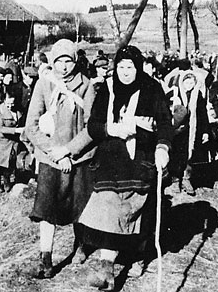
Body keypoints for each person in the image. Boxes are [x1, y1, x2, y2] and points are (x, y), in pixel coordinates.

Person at [74, 45, 173, 287]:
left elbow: (165, 123)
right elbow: (94, 126)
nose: (125, 72)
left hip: (141, 158)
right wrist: (112, 128)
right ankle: (106, 268)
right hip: (111, 159)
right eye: (120, 67)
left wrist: (162, 147)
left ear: (138, 67)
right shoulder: (108, 89)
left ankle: (138, 256)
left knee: (135, 210)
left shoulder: (152, 88)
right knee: (109, 207)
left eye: (130, 67)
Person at [25, 39, 96, 280]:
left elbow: (91, 127)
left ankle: (82, 245)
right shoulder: (44, 84)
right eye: (58, 61)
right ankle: (46, 257)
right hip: (50, 159)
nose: (64, 67)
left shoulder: (86, 86)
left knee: (80, 206)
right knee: (47, 210)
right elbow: (31, 126)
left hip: (78, 158)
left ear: (75, 61)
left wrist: (69, 151)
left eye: (68, 61)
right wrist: (55, 151)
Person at [169, 69, 211, 195]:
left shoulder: (197, 95)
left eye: (191, 83)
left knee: (190, 156)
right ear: (182, 83)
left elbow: (203, 115)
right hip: (178, 131)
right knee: (176, 155)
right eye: (186, 82)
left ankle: (187, 179)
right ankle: (175, 180)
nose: (189, 85)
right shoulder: (175, 93)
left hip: (192, 130)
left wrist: (205, 132)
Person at [0, 87, 24, 191]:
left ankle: (7, 180)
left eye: (12, 103)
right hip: (1, 140)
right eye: (8, 103)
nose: (10, 106)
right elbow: (1, 128)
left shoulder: (18, 110)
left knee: (9, 162)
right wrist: (17, 130)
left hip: (12, 141)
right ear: (4, 100)